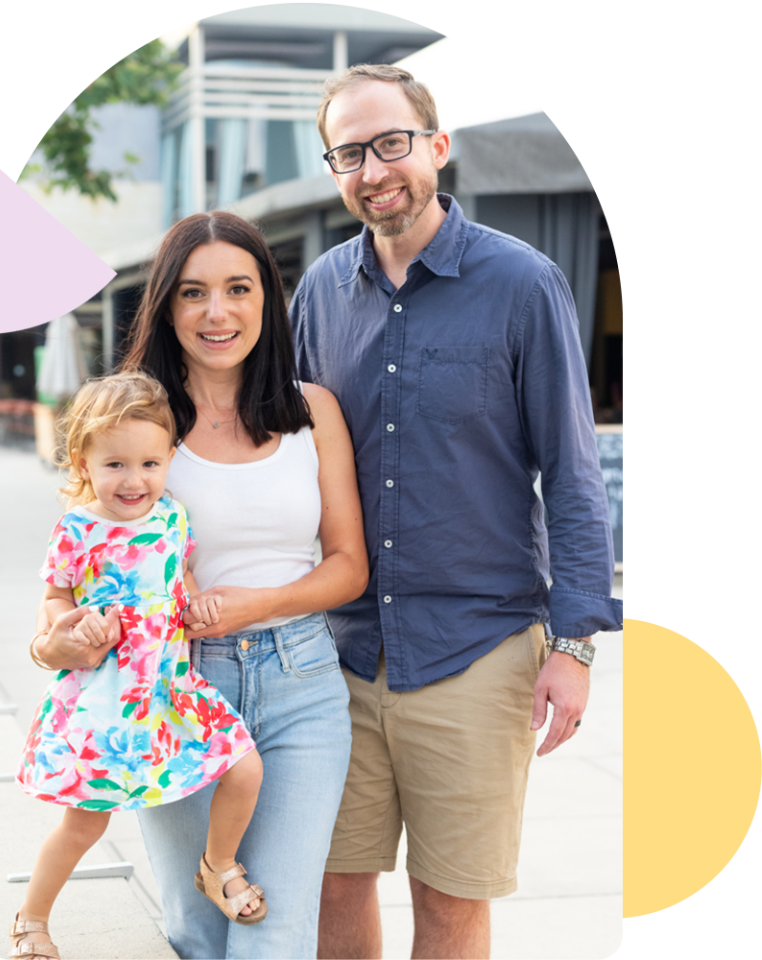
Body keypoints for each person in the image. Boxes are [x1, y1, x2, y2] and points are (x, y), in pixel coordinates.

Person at [288, 64, 624, 960]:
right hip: (340, 652)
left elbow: (573, 471)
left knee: (450, 901)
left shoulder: (524, 283)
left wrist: (576, 646)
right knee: (330, 882)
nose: (373, 168)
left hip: (477, 650)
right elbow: (285, 457)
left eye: (390, 142)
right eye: (348, 152)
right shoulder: (318, 290)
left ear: (437, 146)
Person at [31, 211, 369, 960]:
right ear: (166, 305)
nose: (217, 313)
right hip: (170, 686)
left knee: (273, 929)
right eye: (193, 293)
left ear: (265, 300)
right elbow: (70, 570)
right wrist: (63, 635)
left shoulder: (313, 411)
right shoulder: (136, 423)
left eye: (238, 289)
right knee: (196, 930)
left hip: (301, 684)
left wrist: (259, 603)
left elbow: (348, 565)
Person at [12, 371, 272, 960]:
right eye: (115, 465)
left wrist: (198, 599)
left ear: (170, 458)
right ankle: (32, 916)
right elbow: (55, 597)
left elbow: (181, 579)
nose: (134, 480)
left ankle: (218, 864)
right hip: (106, 698)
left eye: (150, 464)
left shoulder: (172, 517)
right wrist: (70, 623)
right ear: (82, 462)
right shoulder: (78, 529)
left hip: (172, 691)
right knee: (84, 825)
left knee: (245, 768)